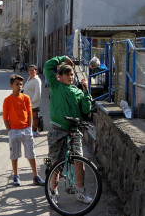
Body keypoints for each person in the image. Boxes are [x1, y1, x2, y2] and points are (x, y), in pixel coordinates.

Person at [44, 56, 92, 204]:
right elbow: (47, 65)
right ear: (60, 76)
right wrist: (63, 58)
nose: (71, 77)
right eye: (67, 74)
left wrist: (85, 92)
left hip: (74, 130)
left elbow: (86, 109)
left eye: (72, 74)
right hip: (57, 129)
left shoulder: (77, 91)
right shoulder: (56, 85)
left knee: (79, 161)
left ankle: (80, 191)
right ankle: (54, 192)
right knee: (56, 163)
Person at [3, 74, 45, 186]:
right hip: (14, 131)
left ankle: (35, 176)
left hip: (26, 129)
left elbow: (30, 114)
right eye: (17, 84)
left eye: (21, 84)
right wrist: (9, 131)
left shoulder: (26, 98)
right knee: (14, 155)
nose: (19, 86)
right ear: (11, 85)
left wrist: (30, 128)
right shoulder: (7, 100)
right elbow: (5, 118)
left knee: (31, 154)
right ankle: (16, 176)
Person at [23, 65, 42, 137]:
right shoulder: (29, 78)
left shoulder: (37, 80)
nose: (31, 72)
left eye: (32, 70)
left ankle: (35, 131)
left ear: (36, 71)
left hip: (33, 103)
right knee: (28, 117)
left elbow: (37, 93)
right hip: (27, 102)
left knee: (34, 117)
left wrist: (31, 102)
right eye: (30, 70)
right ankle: (29, 130)